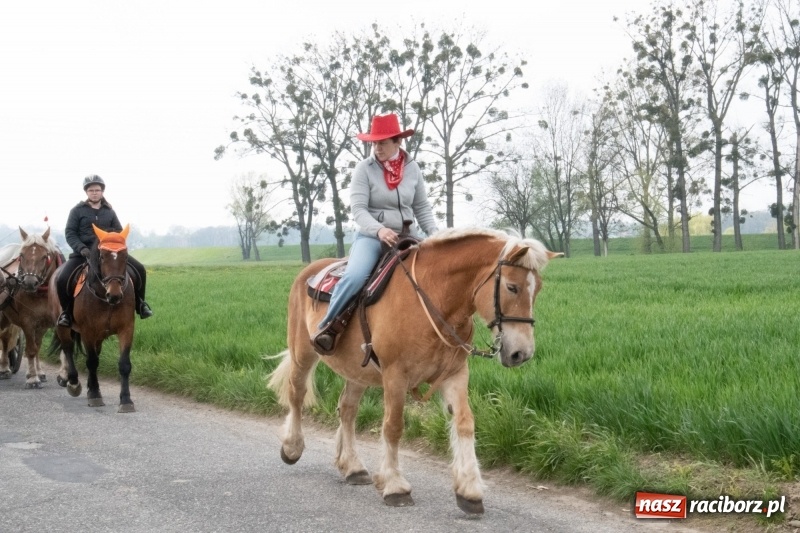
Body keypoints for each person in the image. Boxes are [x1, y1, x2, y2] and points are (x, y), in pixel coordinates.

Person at [311, 113, 438, 353]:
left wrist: (436, 235)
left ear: (398, 142)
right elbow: (358, 210)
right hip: (372, 238)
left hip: (408, 237)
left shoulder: (413, 169)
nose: (376, 147)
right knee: (355, 277)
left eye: (382, 142)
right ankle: (327, 326)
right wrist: (379, 230)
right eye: (374, 142)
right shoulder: (364, 169)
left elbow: (422, 207)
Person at [55, 175, 153, 327]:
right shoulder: (77, 211)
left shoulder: (110, 212)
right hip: (84, 253)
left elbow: (120, 232)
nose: (94, 193)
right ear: (86, 192)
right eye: (91, 190)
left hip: (108, 254)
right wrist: (81, 248)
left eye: (97, 190)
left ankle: (140, 304)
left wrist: (115, 246)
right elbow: (70, 233)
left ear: (102, 192)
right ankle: (66, 313)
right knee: (62, 278)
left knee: (140, 269)